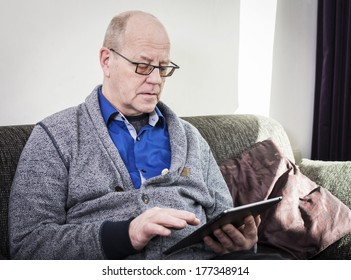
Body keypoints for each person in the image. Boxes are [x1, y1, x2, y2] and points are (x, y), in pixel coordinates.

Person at [9, 10, 283, 260]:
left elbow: (222, 219)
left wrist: (242, 244)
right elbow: (28, 245)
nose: (155, 80)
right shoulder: (55, 136)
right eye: (142, 65)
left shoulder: (191, 139)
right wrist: (125, 235)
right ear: (107, 61)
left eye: (163, 67)